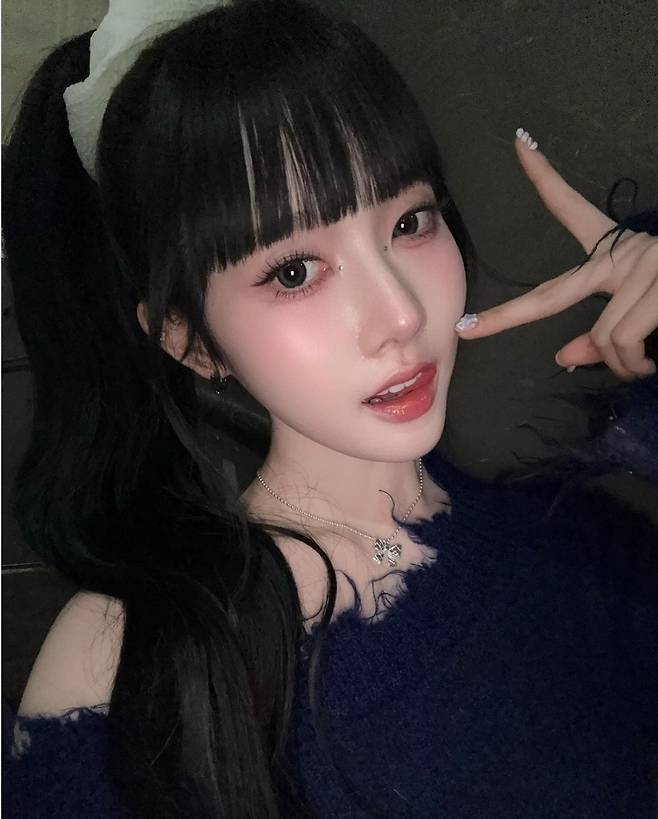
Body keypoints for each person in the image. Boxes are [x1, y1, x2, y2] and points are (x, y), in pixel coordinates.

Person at [2, 1, 657, 817]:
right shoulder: (132, 658)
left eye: (410, 222)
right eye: (294, 272)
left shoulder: (580, 534)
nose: (401, 315)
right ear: (191, 341)